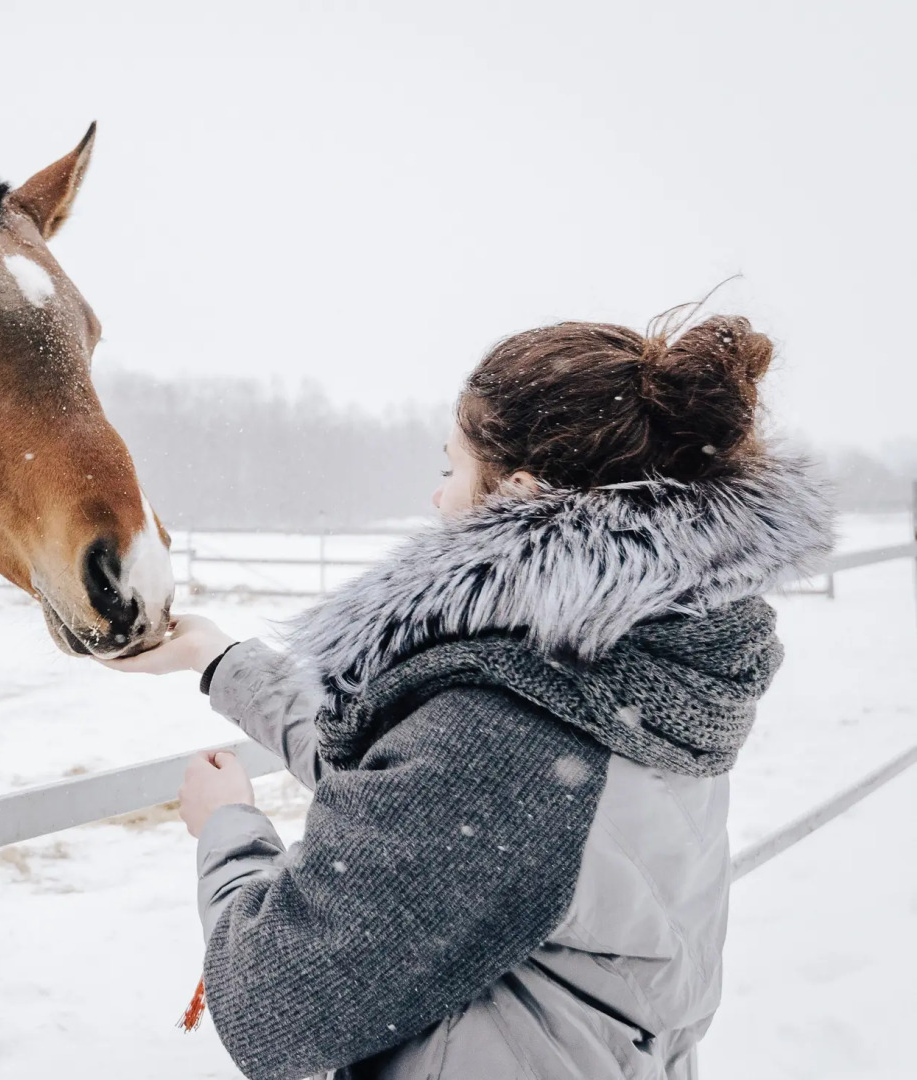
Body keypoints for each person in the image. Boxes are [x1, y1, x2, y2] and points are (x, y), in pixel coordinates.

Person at [105, 310, 833, 1079]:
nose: (437, 496)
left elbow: (272, 1000)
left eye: (451, 469)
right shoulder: (639, 662)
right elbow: (418, 785)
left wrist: (228, 828)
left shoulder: (507, 725)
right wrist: (218, 659)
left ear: (518, 495)